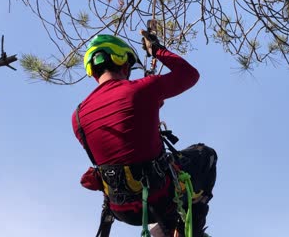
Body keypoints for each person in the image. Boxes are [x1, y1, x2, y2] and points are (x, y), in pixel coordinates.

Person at [72, 31, 217, 237]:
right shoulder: (141, 90)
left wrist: (149, 106)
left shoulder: (77, 117)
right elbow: (189, 75)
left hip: (120, 209)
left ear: (92, 72)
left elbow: (122, 143)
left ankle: (167, 230)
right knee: (205, 155)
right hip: (159, 198)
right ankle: (190, 231)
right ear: (123, 63)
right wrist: (157, 50)